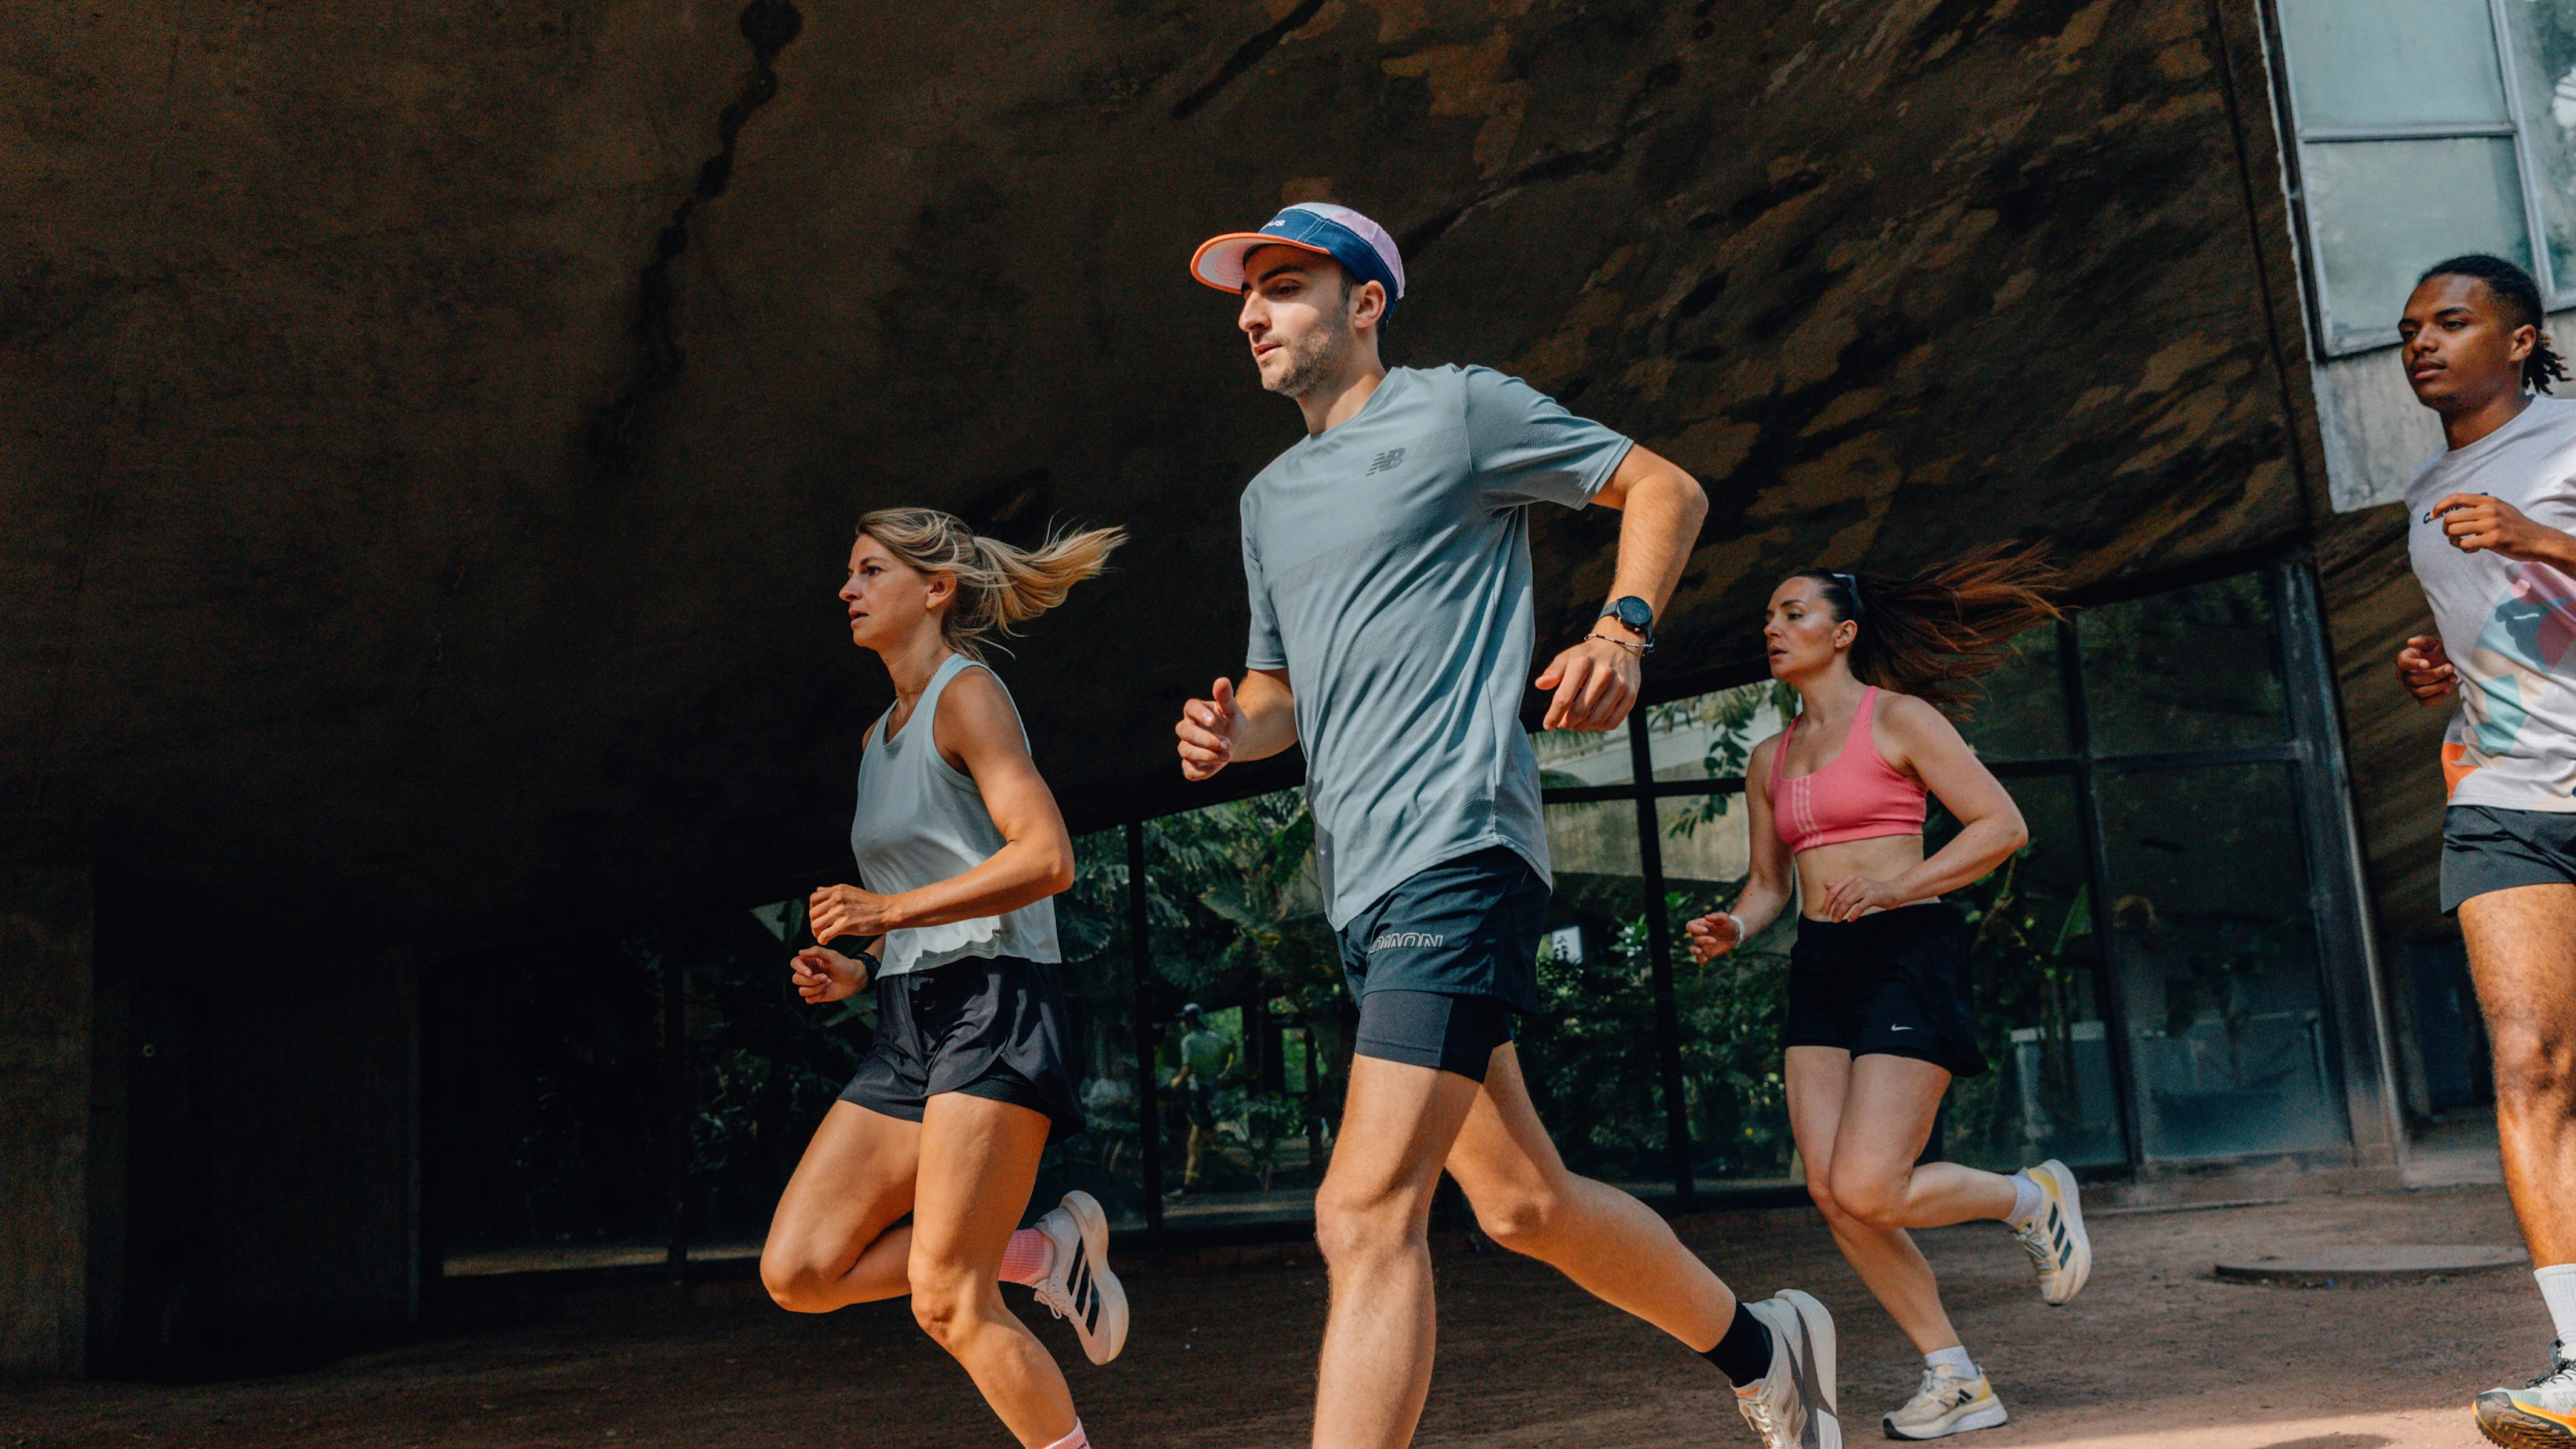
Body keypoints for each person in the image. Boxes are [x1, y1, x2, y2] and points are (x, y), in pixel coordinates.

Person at [1174, 201, 1840, 1449]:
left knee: (1364, 1214)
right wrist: (1232, 732)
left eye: (1287, 287)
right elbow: (1278, 697)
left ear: (1366, 303)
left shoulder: (1458, 409)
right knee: (1525, 1203)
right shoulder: (1267, 500)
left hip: (1459, 852)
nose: (1255, 314)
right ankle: (1767, 1345)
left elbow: (1663, 485)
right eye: (1246, 297)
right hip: (1360, 886)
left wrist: (1620, 630)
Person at [1681, 555, 2088, 1441]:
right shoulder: (1769, 757)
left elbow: (2001, 827)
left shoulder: (1898, 718)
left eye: (1792, 613)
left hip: (1909, 948)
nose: (1772, 628)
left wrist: (1896, 890)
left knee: (1873, 1184)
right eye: (1767, 617)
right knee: (1834, 1194)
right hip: (1824, 964)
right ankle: (1956, 1377)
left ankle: (2029, 1200)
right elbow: (1765, 884)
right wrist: (1736, 928)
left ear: (1843, 632)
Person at [759, 507, 1131, 1449]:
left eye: (870, 570)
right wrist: (864, 965)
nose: (847, 589)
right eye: (848, 572)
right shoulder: (875, 737)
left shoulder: (969, 696)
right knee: (799, 1272)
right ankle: (1040, 1252)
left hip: (996, 1008)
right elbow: (937, 888)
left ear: (934, 591)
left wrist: (886, 913)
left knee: (948, 1302)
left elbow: (1046, 858)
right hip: (908, 1019)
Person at [2387, 253, 2576, 1447]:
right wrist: (2446, 676)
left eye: (2452, 322)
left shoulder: (2566, 444)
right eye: (2410, 329)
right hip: (2505, 792)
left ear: (2518, 338)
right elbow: (2512, 635)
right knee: (2530, 1063)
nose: (2422, 343)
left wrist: (2540, 538)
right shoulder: (2422, 490)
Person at [1169, 1003, 1239, 1194]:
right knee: (1201, 1141)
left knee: (1194, 1144)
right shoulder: (1216, 1038)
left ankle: (1188, 1187)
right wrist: (1225, 1072)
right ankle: (1194, 1183)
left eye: (1183, 1019)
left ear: (1188, 1021)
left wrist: (1175, 1081)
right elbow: (1233, 1048)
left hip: (1199, 1093)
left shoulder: (1189, 1042)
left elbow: (1188, 1068)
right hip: (1213, 1092)